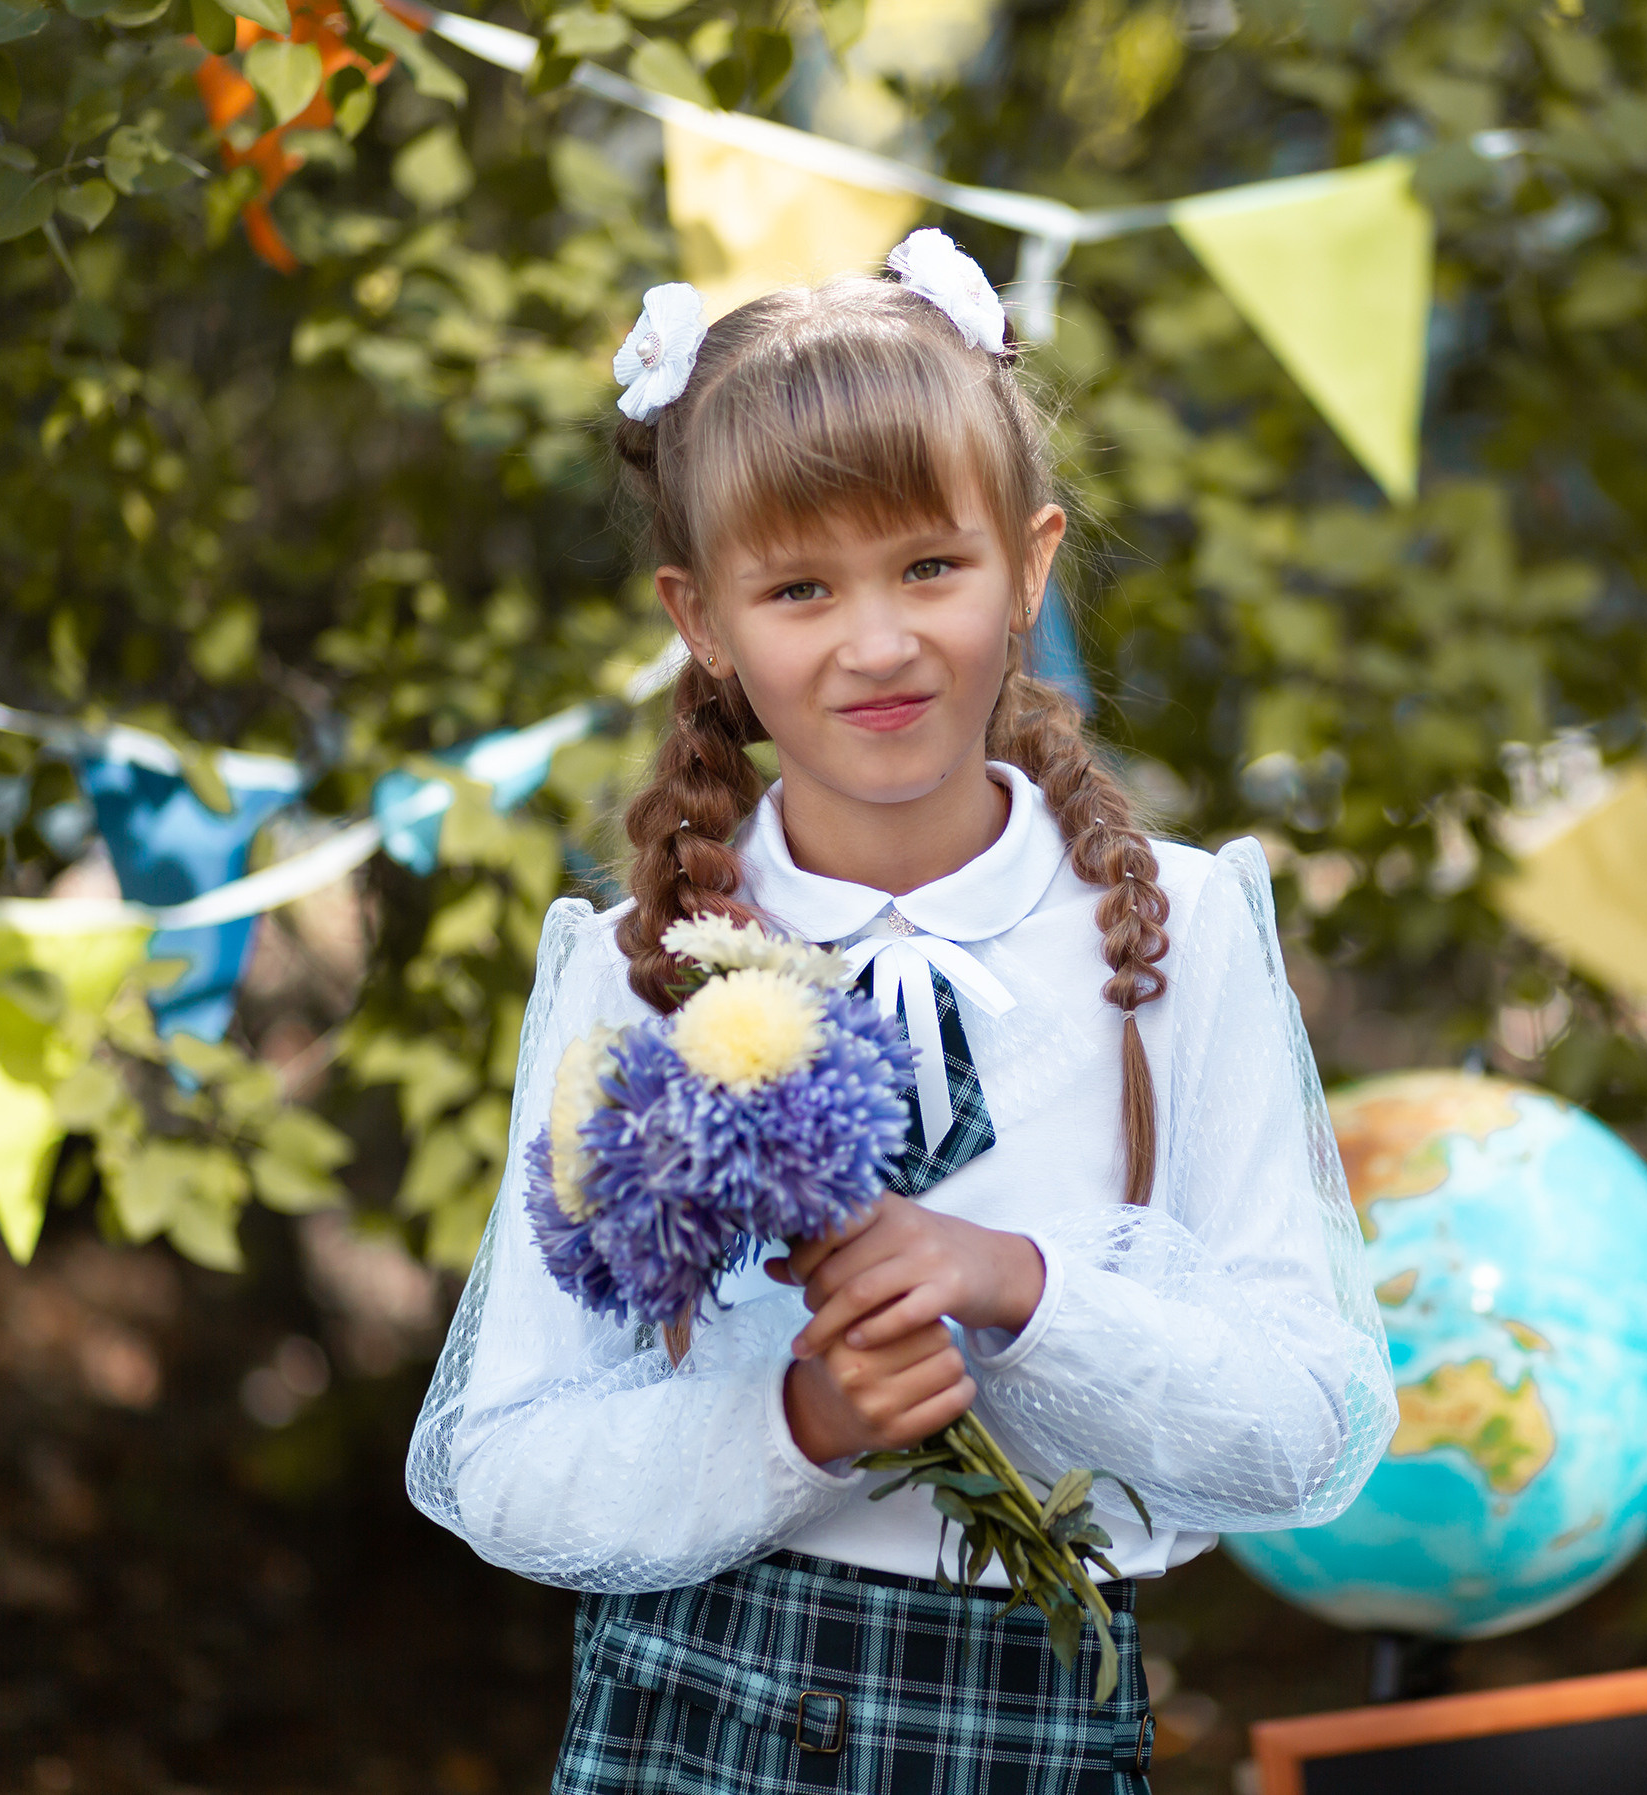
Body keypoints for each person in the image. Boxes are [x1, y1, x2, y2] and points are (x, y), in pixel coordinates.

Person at [407, 229, 1395, 1795]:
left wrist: (1015, 1285)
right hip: (697, 1708)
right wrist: (794, 1418)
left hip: (1031, 1715)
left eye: (930, 566)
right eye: (798, 588)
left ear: (1030, 566)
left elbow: (1302, 1433)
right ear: (702, 621)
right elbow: (509, 1468)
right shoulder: (642, 962)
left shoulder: (1178, 930)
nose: (876, 643)